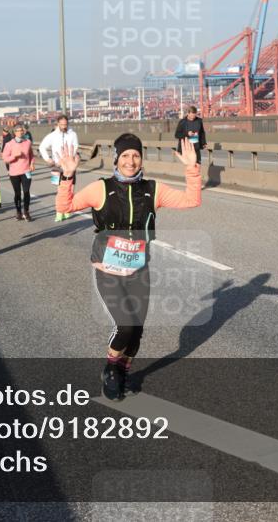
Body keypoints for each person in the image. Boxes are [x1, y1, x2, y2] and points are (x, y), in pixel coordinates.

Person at [56, 135, 201, 401]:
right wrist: (67, 176)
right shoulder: (101, 188)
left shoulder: (152, 189)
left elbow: (192, 200)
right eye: (125, 156)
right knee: (125, 325)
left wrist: (192, 168)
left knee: (137, 329)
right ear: (116, 159)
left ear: (141, 159)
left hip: (139, 271)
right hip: (107, 269)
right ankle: (111, 368)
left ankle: (123, 370)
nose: (130, 161)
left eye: (135, 156)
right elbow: (64, 206)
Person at [39, 115, 80, 221]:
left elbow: (75, 146)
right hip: (57, 166)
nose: (63, 126)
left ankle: (67, 210)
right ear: (57, 124)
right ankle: (59, 212)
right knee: (59, 189)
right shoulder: (52, 135)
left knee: (70, 188)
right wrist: (48, 159)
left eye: (65, 124)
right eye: (61, 124)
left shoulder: (73, 134)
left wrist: (70, 160)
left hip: (69, 166)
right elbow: (42, 147)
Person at [2, 123, 35, 221]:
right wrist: (14, 156)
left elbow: (31, 155)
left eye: (21, 130)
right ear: (14, 132)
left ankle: (26, 212)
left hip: (26, 171)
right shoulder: (9, 144)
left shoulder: (28, 142)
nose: (20, 132)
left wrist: (32, 164)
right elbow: (5, 159)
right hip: (14, 173)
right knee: (17, 194)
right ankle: (18, 212)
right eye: (18, 131)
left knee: (26, 192)